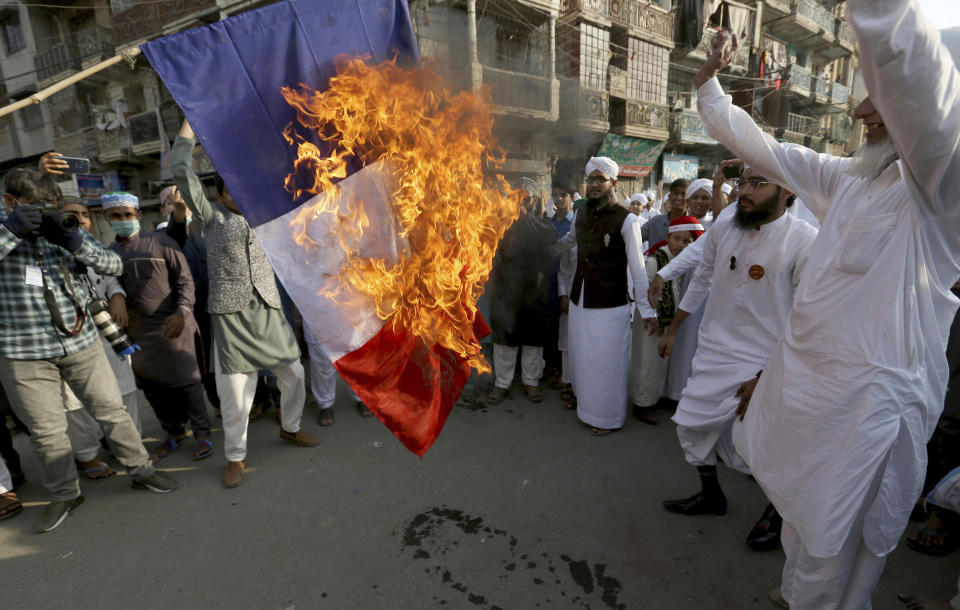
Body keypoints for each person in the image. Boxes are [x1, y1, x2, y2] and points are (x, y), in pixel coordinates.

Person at [697, 9, 960, 607]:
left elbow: (918, 76)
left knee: (832, 546)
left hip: (865, 408)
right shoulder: (848, 178)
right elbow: (758, 144)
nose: (860, 111)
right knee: (800, 529)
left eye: (879, 99)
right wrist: (708, 81)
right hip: (806, 394)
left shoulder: (943, 193)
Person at [0, 167, 177, 533]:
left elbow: (113, 263)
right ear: (10, 202)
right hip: (22, 352)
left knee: (111, 410)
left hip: (80, 341)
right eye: (32, 208)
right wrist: (10, 231)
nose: (42, 214)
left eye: (47, 206)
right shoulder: (6, 228)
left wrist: (74, 241)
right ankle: (65, 493)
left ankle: (141, 470)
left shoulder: (62, 227)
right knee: (47, 431)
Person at [657, 168, 818, 555]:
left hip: (766, 358)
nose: (743, 191)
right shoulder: (727, 226)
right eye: (743, 182)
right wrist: (675, 327)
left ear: (787, 192)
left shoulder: (805, 242)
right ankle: (711, 495)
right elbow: (703, 277)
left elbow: (805, 319)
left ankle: (776, 513)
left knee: (763, 445)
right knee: (691, 425)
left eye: (757, 183)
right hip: (715, 348)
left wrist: (767, 374)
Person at [172, 120, 316, 489]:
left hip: (269, 309)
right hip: (232, 316)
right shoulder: (210, 217)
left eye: (242, 187)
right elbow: (180, 170)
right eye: (229, 189)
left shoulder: (267, 213)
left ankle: (291, 427)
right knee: (236, 396)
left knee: (294, 374)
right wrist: (189, 129)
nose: (237, 193)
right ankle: (236, 457)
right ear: (220, 195)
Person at [104, 192, 213, 461]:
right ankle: (174, 433)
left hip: (175, 325)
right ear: (107, 218)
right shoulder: (108, 255)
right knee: (153, 388)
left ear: (138, 215)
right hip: (139, 332)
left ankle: (202, 434)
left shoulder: (161, 242)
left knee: (189, 383)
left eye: (128, 215)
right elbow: (106, 285)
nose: (123, 220)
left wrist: (182, 311)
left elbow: (185, 282)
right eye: (116, 216)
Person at [553, 157, 657, 435]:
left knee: (607, 361)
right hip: (580, 299)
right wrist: (543, 246)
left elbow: (637, 269)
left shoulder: (628, 219)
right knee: (583, 357)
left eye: (601, 179)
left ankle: (606, 417)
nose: (596, 184)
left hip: (611, 303)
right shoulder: (582, 213)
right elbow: (568, 242)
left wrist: (646, 310)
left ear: (614, 183)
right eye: (592, 179)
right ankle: (585, 405)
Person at [56, 196, 141, 478]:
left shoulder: (94, 249)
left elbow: (111, 277)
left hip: (106, 333)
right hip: (69, 336)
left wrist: (117, 296)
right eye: (71, 214)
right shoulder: (46, 252)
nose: (79, 219)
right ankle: (87, 457)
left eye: (84, 214)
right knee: (75, 402)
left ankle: (131, 446)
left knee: (124, 389)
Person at [487, 178, 556, 405]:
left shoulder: (541, 224)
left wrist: (526, 219)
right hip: (507, 290)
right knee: (505, 338)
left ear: (534, 200)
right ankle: (502, 383)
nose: (522, 202)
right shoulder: (500, 223)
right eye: (518, 196)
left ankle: (531, 381)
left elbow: (551, 237)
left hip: (533, 291)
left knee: (533, 339)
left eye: (527, 198)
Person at [629, 216, 703, 425]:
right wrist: (654, 319)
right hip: (651, 322)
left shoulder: (680, 261)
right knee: (647, 363)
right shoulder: (655, 260)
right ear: (668, 238)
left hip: (666, 322)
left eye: (687, 241)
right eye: (677, 239)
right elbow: (642, 293)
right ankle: (642, 404)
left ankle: (654, 397)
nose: (681, 245)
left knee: (660, 363)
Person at [159, 184, 220, 417]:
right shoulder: (161, 238)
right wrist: (179, 215)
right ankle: (194, 419)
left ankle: (219, 404)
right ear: (165, 209)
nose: (181, 204)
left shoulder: (199, 237)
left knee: (214, 362)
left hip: (210, 310)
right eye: (173, 202)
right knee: (194, 367)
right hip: (184, 315)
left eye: (184, 201)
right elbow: (175, 235)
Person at [641, 178, 689, 248]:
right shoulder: (655, 223)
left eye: (683, 194)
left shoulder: (694, 225)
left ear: (689, 198)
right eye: (676, 193)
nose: (679, 198)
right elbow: (634, 239)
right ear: (670, 197)